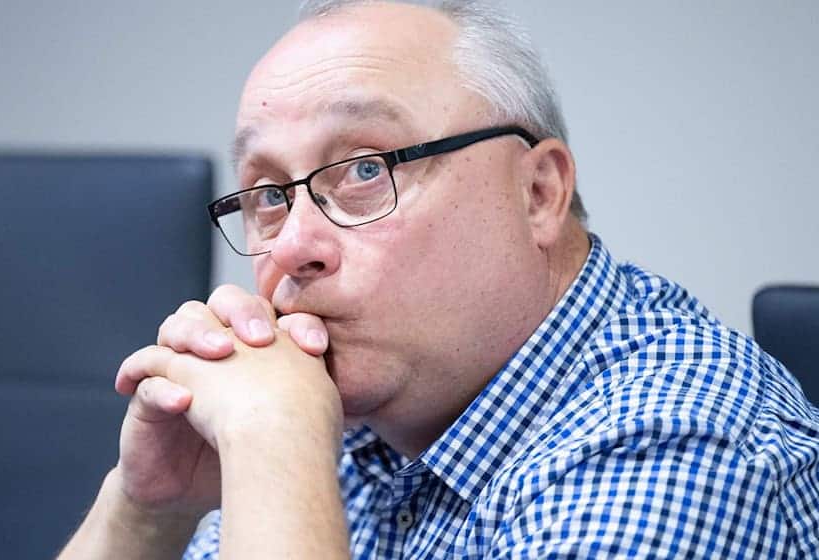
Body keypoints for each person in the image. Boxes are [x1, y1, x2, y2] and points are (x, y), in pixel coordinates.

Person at [59, 1, 819, 558]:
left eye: (365, 169)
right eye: (266, 194)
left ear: (538, 193)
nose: (292, 248)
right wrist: (147, 511)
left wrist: (277, 445)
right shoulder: (354, 412)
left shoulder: (683, 456)